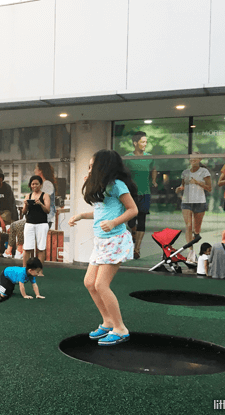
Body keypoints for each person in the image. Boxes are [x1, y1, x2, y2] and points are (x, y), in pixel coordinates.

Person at [69, 149, 138, 346]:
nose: (89, 169)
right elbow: (101, 212)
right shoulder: (102, 187)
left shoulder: (117, 185)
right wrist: (82, 216)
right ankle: (107, 321)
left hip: (115, 240)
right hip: (101, 241)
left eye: (92, 166)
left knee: (101, 285)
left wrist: (115, 223)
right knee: (90, 282)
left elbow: (133, 210)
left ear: (103, 167)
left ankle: (120, 328)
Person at [123, 131, 157, 259]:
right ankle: (133, 232)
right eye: (143, 142)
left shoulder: (150, 157)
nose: (145, 144)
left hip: (145, 192)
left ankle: (137, 249)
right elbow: (123, 173)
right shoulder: (128, 157)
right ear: (135, 143)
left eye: (146, 142)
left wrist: (153, 180)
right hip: (131, 193)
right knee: (131, 221)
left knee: (142, 219)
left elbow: (154, 169)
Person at [175, 154, 212, 263]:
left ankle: (196, 234)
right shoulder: (185, 172)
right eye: (191, 159)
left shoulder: (204, 172)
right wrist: (179, 189)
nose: (193, 161)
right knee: (188, 226)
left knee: (196, 228)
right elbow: (182, 186)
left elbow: (209, 188)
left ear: (200, 160)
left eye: (195, 159)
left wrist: (197, 182)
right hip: (187, 202)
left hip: (200, 202)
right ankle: (191, 253)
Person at [21, 175, 51, 267]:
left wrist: (40, 204)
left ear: (40, 185)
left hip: (42, 224)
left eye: (36, 184)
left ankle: (39, 270)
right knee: (27, 248)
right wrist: (26, 205)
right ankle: (24, 269)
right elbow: (23, 212)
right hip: (29, 223)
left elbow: (47, 210)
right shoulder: (28, 196)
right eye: (33, 184)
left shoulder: (45, 195)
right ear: (30, 185)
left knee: (41, 248)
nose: (34, 186)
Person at [35, 162, 57, 227]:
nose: (34, 170)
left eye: (36, 168)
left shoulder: (47, 184)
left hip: (45, 218)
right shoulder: (42, 184)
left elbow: (42, 199)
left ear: (40, 171)